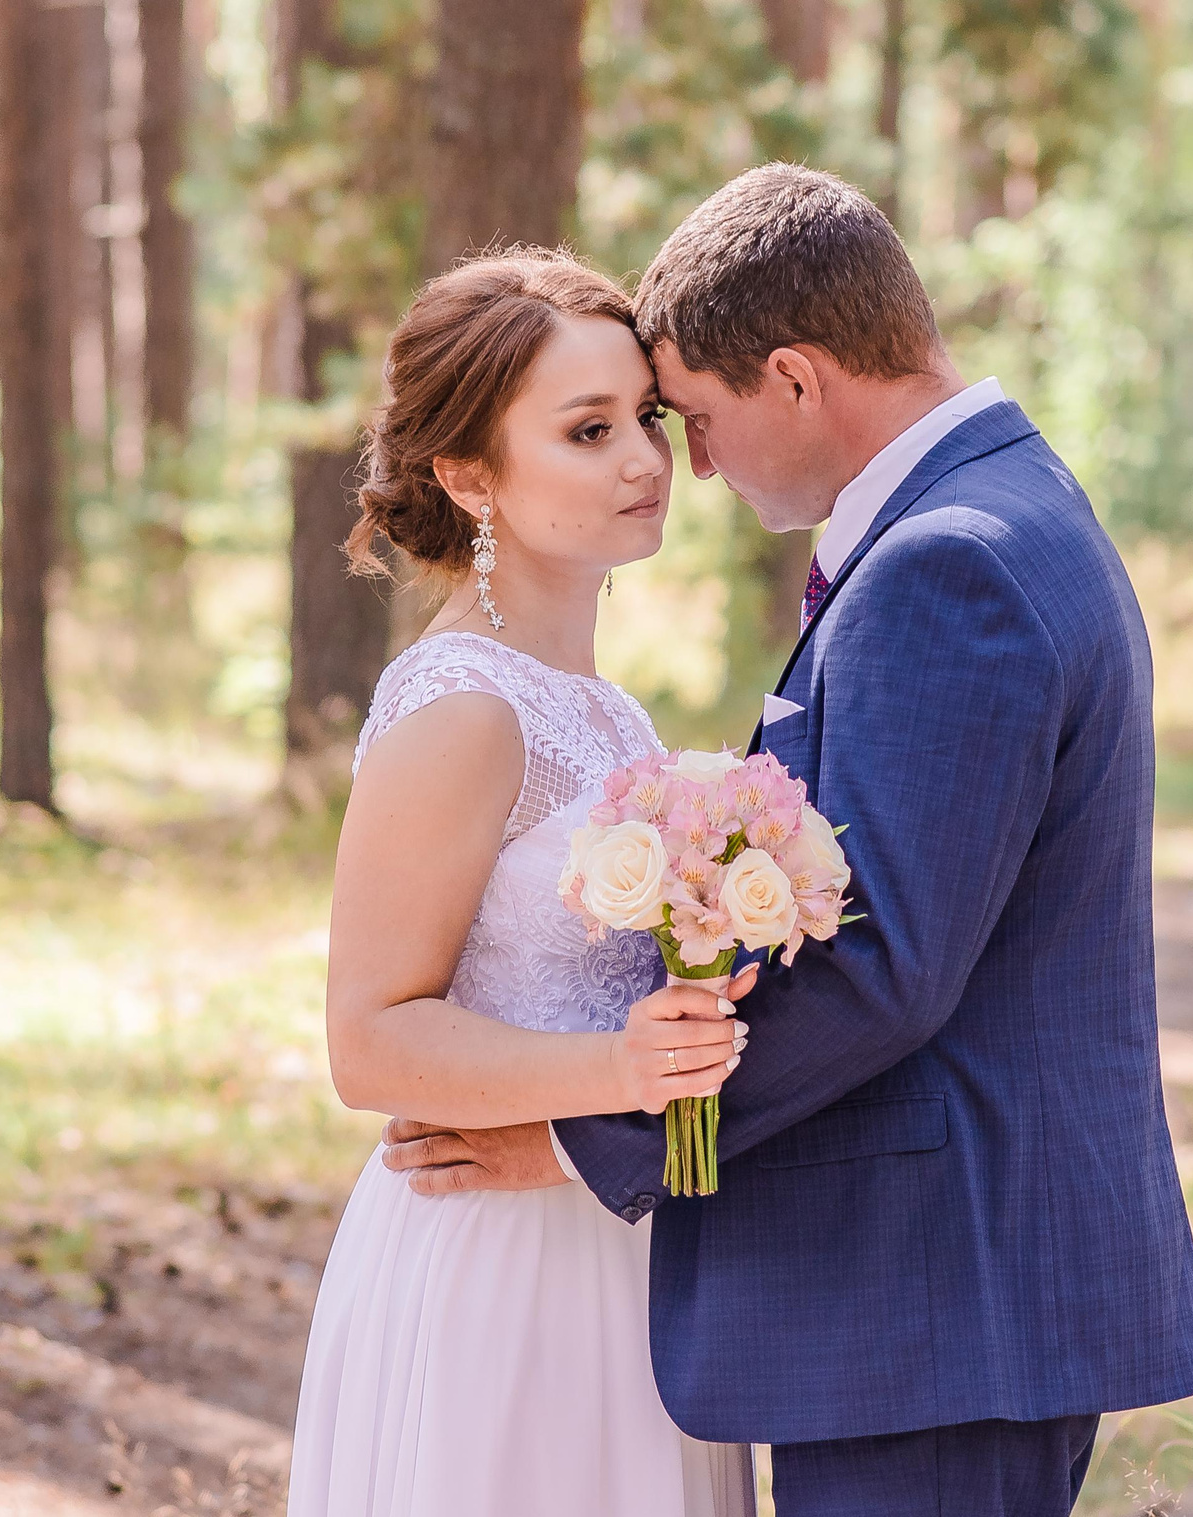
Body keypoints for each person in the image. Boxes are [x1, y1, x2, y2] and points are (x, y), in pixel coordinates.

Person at [380, 165, 1193, 1517]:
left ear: (792, 377)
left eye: (692, 420)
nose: (686, 465)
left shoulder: (948, 566)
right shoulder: (1004, 509)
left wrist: (592, 1142)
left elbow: (883, 961)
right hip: (939, 1300)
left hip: (937, 1297)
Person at [285, 249, 758, 1517]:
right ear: (467, 472)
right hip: (498, 1260)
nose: (643, 460)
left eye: (645, 419)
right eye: (588, 430)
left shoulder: (611, 710)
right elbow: (370, 1038)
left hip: (624, 1239)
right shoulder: (463, 708)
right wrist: (617, 1078)